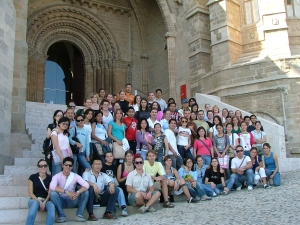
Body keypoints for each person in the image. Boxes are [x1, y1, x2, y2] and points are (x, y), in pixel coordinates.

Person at [50, 157, 89, 223]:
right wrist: (66, 192)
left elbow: (86, 185)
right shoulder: (57, 176)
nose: (68, 167)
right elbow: (52, 186)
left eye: (70, 165)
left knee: (86, 192)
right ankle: (61, 216)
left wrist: (77, 193)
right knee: (52, 193)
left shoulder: (75, 176)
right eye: (66, 165)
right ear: (62, 165)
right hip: (60, 200)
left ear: (72, 167)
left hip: (72, 200)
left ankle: (79, 215)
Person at [26, 159, 55, 225]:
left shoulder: (50, 178)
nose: (43, 168)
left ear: (47, 167)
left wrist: (44, 202)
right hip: (34, 200)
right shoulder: (32, 177)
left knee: (51, 207)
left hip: (46, 200)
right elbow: (31, 193)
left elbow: (50, 192)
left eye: (45, 166)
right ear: (38, 167)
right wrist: (38, 201)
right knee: (35, 204)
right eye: (41, 166)